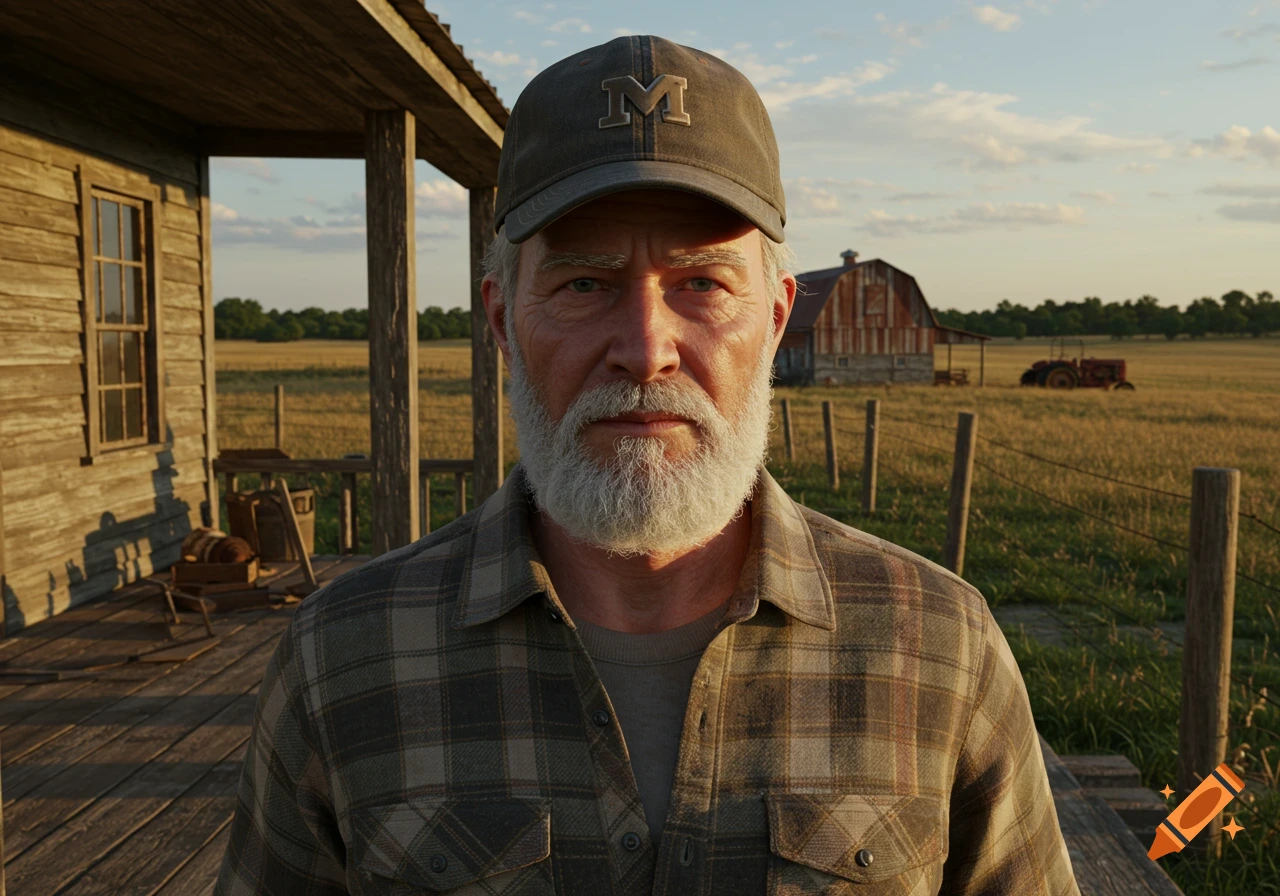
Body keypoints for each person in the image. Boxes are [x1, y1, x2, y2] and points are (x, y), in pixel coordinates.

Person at [215, 34, 1080, 896]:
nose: (645, 349)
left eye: (702, 283)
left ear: (776, 320)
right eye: (583, 284)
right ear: (504, 322)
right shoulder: (344, 659)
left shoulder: (938, 649)